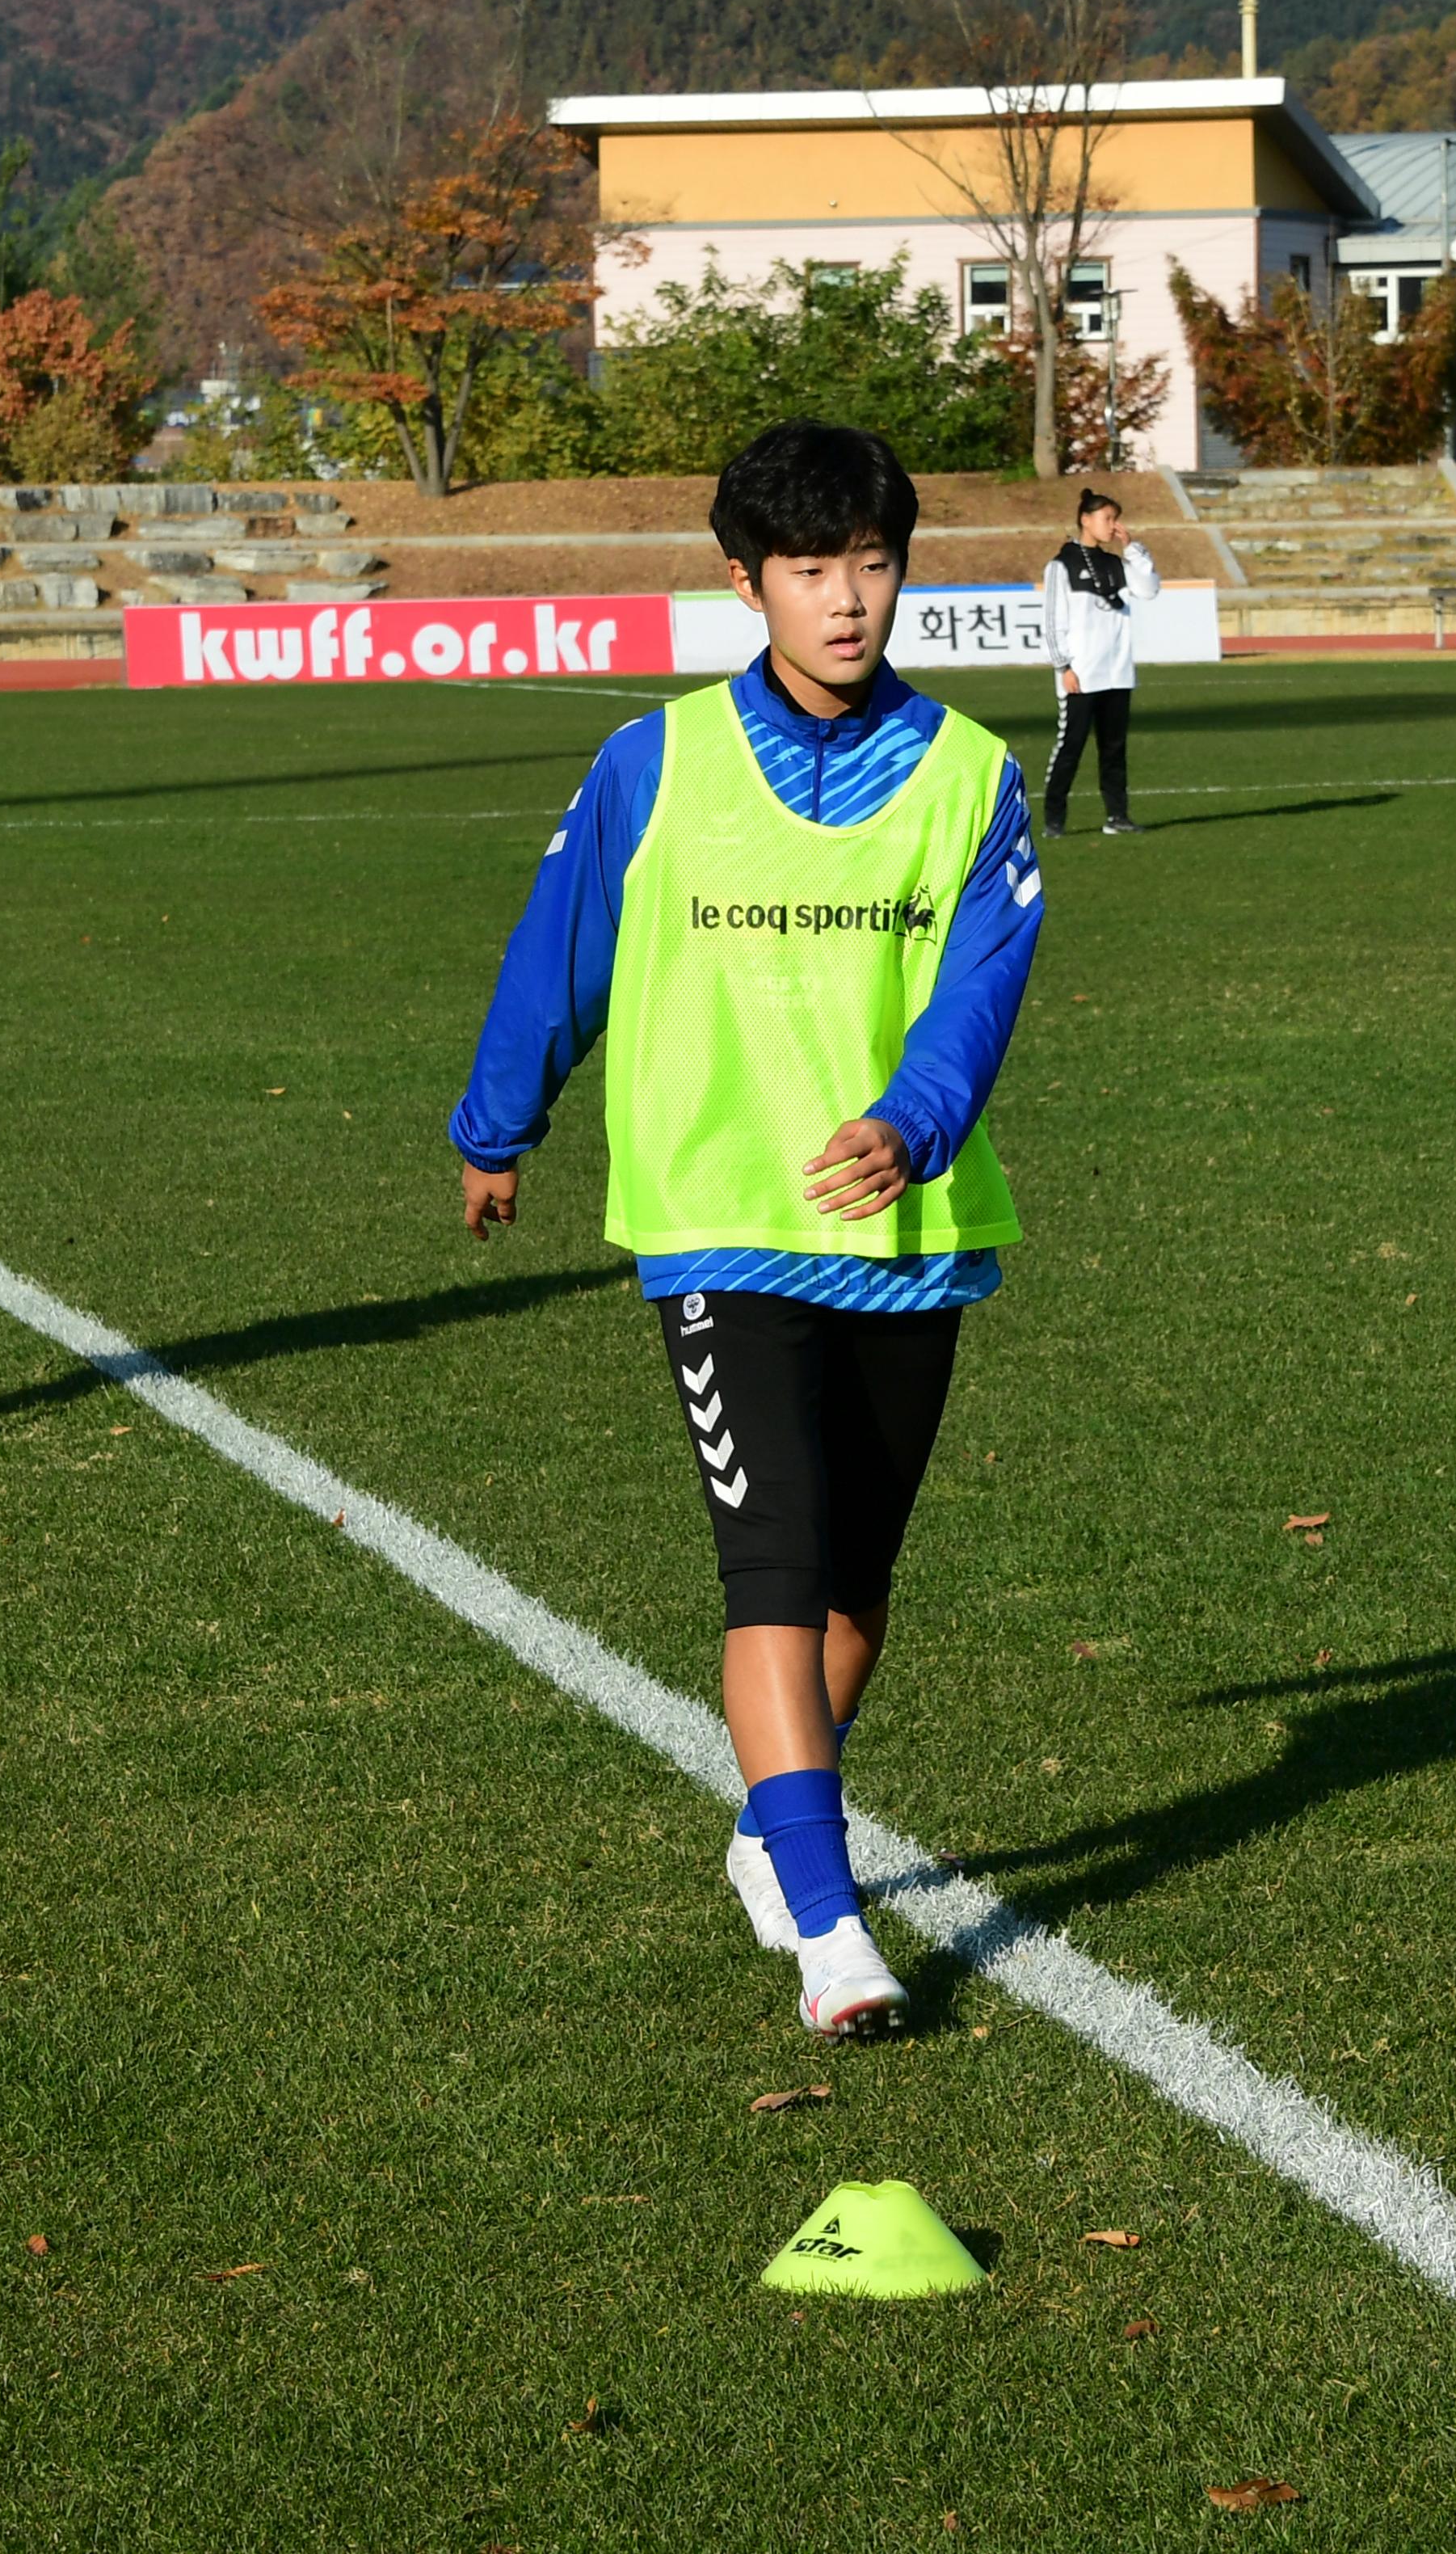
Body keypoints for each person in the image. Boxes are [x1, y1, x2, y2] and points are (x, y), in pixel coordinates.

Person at [452, 422, 1043, 2038]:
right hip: (719, 1219)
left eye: (872, 561)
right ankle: (834, 1926)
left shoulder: (973, 775)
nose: (848, 599)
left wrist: (909, 1122)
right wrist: (499, 1122)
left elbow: (980, 991)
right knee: (774, 1571)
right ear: (744, 581)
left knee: (856, 1589)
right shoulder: (654, 761)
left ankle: (766, 1835)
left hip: (909, 1228)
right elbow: (558, 948)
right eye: (809, 568)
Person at [1037, 487, 1159, 836]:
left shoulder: (1117, 564)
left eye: (1115, 519)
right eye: (1107, 518)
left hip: (1118, 673)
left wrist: (1132, 548)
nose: (1113, 525)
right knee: (1070, 746)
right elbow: (1052, 621)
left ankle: (1117, 816)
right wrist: (1063, 666)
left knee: (1114, 749)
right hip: (1081, 673)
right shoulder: (1061, 566)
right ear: (1085, 520)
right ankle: (1054, 820)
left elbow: (1149, 589)